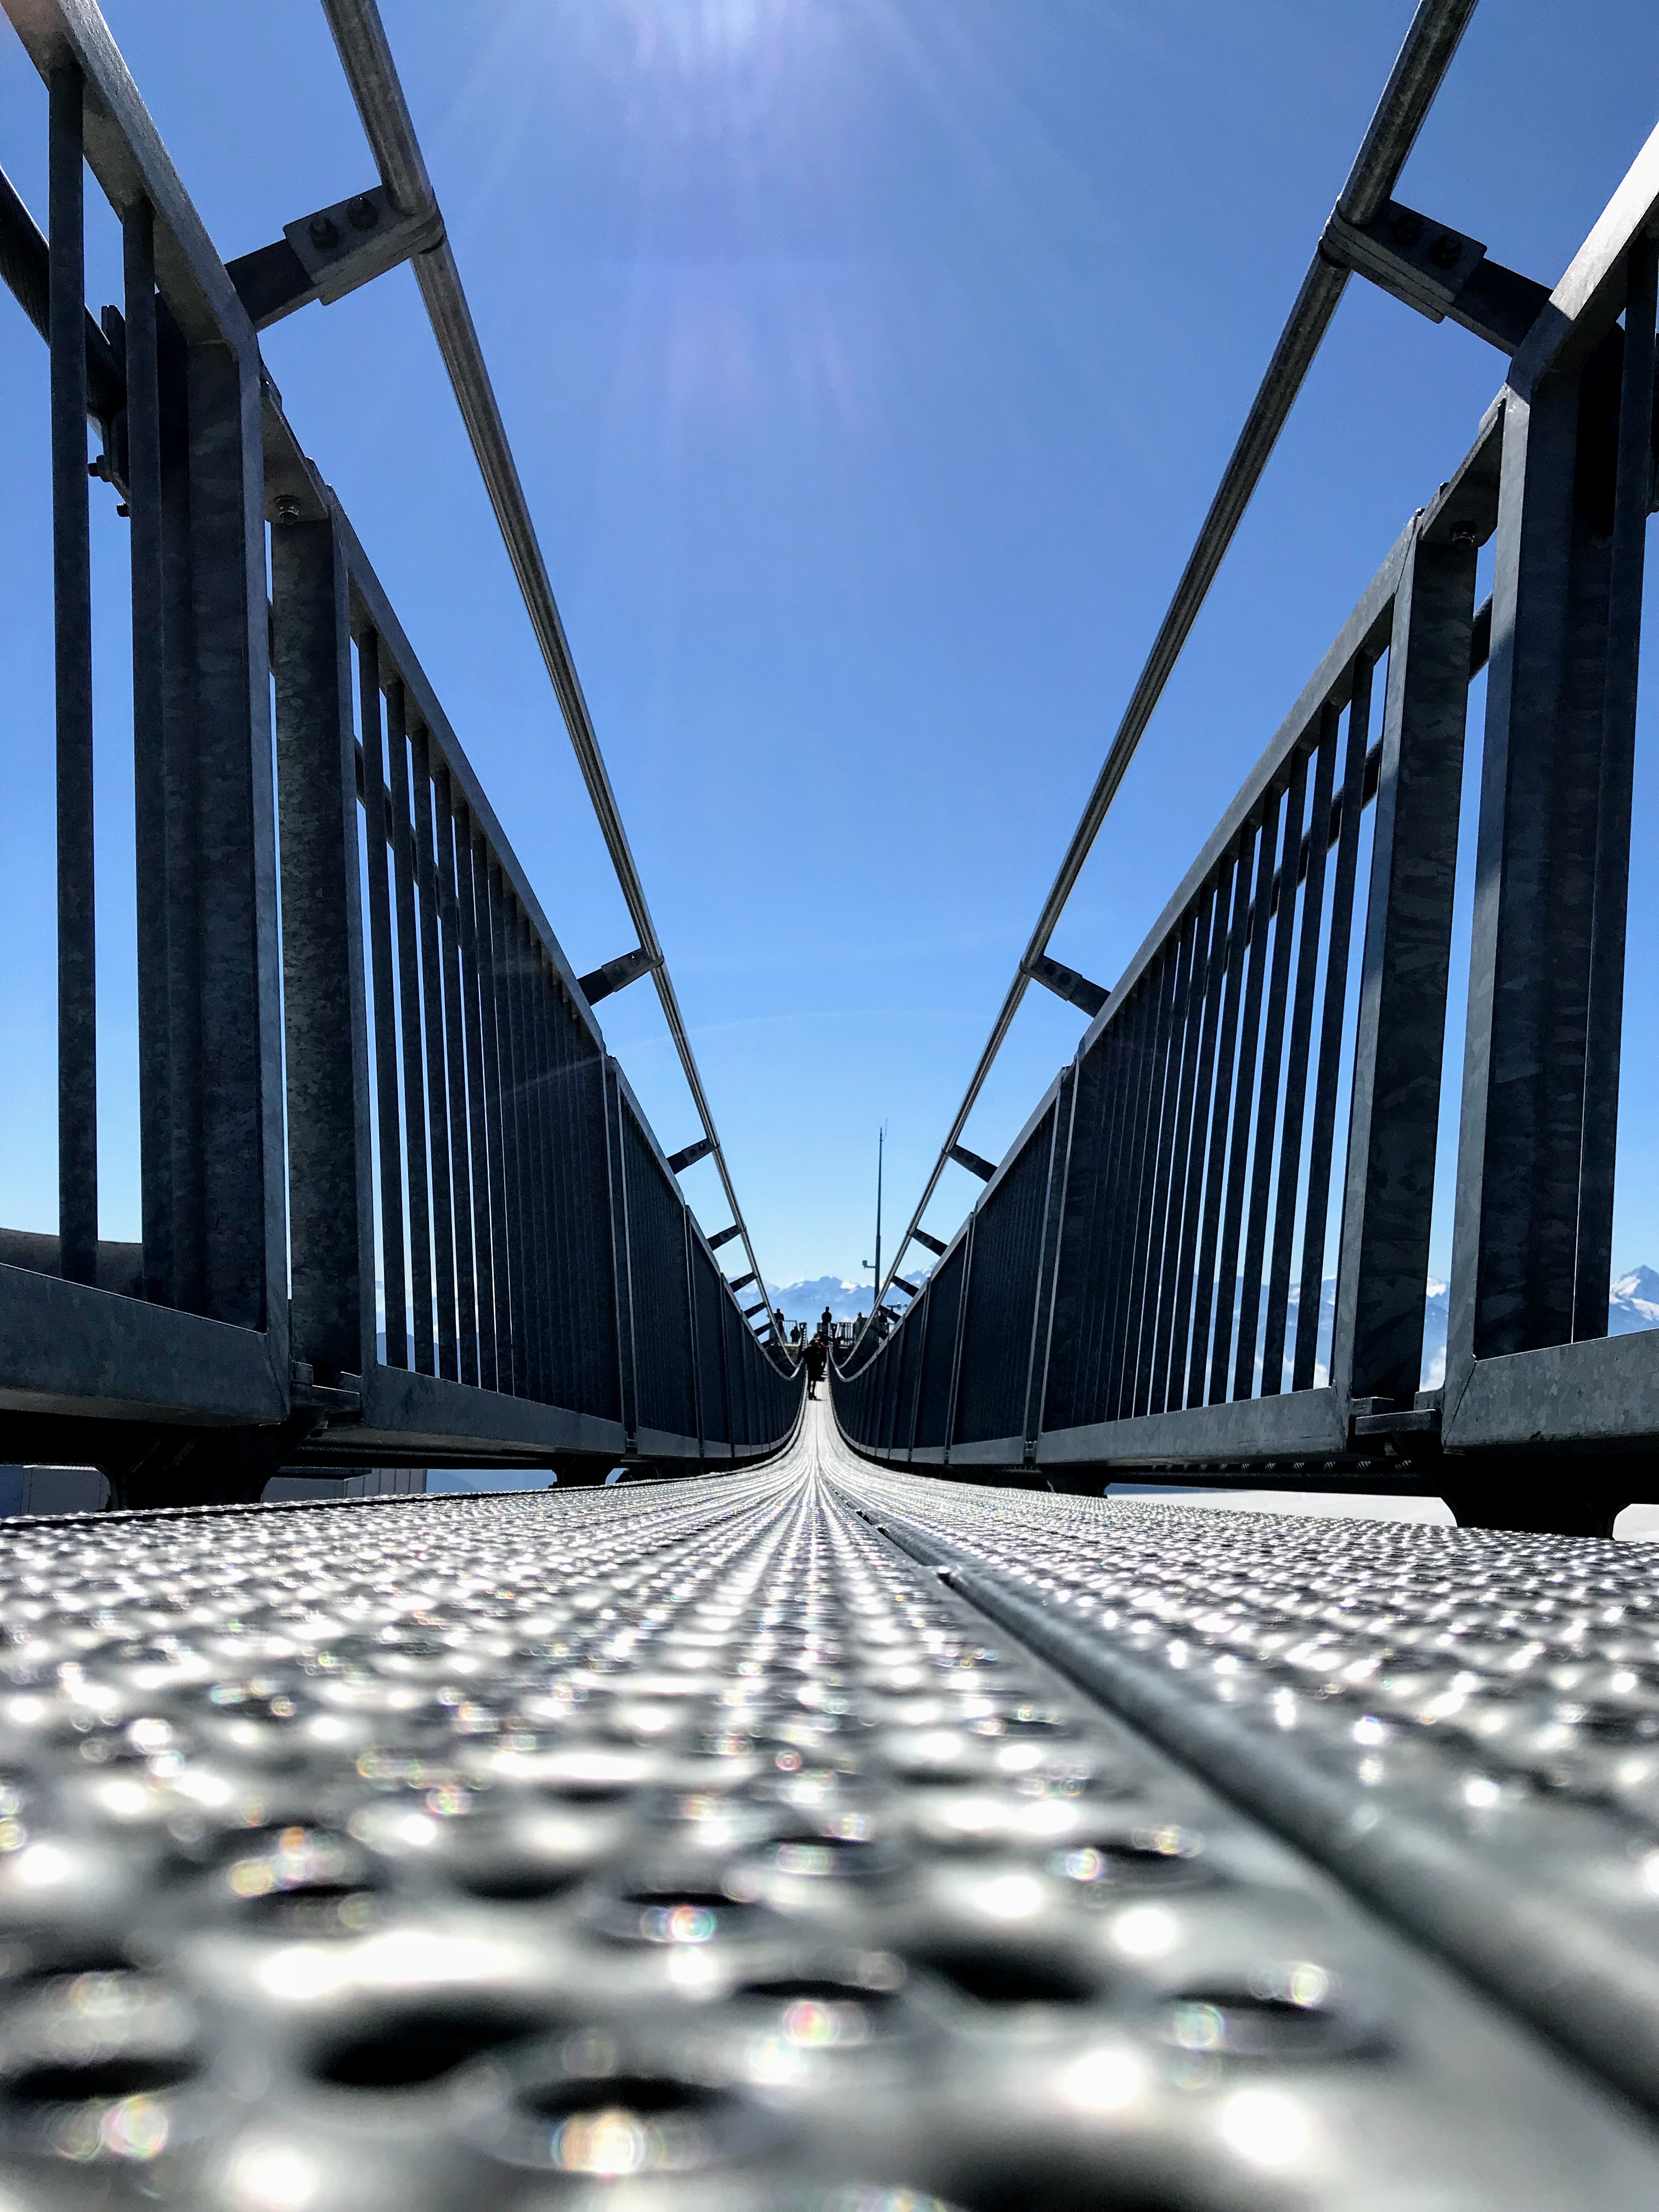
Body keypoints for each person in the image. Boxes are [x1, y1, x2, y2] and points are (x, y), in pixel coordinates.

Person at [804, 1334, 828, 1400]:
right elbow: (803, 1355)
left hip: (816, 1367)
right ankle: (809, 1394)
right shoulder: (808, 1349)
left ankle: (813, 1393)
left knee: (814, 1381)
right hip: (810, 1367)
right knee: (809, 1381)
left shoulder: (818, 1349)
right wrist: (807, 1361)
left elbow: (822, 1356)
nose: (816, 1344)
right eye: (815, 1343)